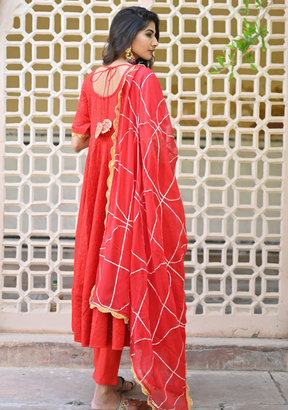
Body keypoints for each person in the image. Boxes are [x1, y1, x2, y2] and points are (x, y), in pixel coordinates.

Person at [71, 6, 193, 410]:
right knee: (132, 278)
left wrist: (107, 131)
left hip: (98, 198)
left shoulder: (93, 79)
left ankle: (105, 384)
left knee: (103, 282)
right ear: (128, 37)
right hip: (132, 198)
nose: (155, 42)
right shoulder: (142, 80)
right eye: (149, 34)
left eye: (155, 35)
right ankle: (110, 390)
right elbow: (161, 146)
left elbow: (78, 141)